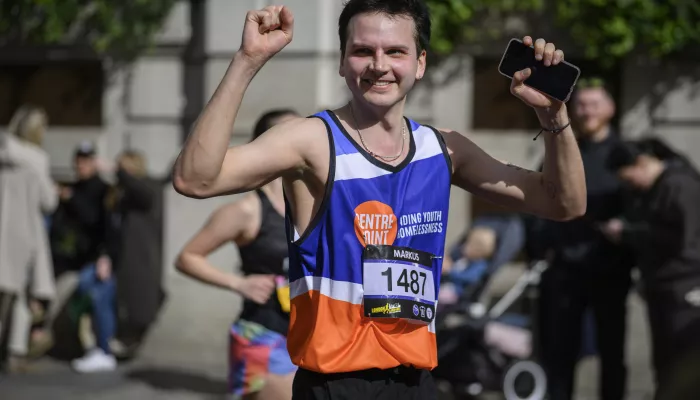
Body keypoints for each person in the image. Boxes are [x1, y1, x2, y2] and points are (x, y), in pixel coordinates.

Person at [172, 1, 586, 398]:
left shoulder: (444, 150)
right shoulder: (312, 141)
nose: (379, 65)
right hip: (334, 385)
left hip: (416, 382)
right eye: (362, 51)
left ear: (420, 63)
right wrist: (247, 61)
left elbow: (564, 203)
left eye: (396, 51)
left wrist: (554, 118)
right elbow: (195, 179)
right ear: (341, 61)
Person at [176, 109, 300, 400]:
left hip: (310, 335)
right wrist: (239, 284)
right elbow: (187, 257)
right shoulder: (246, 211)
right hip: (264, 335)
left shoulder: (312, 205)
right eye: (291, 133)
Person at [532, 81, 634, 400]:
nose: (587, 111)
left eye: (594, 103)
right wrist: (540, 247)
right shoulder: (563, 149)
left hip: (611, 273)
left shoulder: (625, 155)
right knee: (560, 354)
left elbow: (642, 206)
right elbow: (537, 201)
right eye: (582, 104)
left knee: (612, 354)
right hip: (565, 272)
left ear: (611, 108)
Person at [601, 138, 700, 400]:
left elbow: (680, 239)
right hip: (664, 288)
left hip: (685, 288)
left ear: (642, 163)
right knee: (666, 364)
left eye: (628, 178)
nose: (629, 185)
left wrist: (628, 233)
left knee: (683, 364)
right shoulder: (659, 188)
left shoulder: (679, 185)